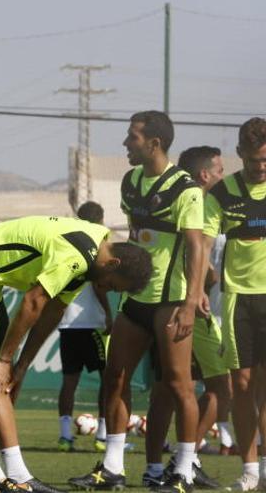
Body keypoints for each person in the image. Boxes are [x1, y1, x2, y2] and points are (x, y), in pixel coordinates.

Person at [0, 215, 152, 493]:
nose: (106, 290)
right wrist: (5, 360)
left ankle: (18, 475)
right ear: (113, 264)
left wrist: (20, 367)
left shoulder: (93, 255)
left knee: (0, 380)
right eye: (112, 285)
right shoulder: (78, 254)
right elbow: (32, 301)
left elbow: (53, 310)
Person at [69, 111, 206, 493]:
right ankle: (113, 468)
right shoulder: (130, 182)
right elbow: (135, 236)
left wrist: (191, 303)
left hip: (170, 301)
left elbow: (196, 247)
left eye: (132, 137)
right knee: (114, 377)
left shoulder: (186, 189)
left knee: (179, 386)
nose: (126, 144)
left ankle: (182, 471)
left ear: (154, 143)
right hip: (136, 300)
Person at [140, 146, 229, 490]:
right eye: (219, 169)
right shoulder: (200, 203)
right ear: (205, 174)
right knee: (214, 387)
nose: (223, 175)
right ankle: (182, 462)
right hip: (192, 308)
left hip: (178, 304)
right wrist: (200, 291)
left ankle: (176, 461)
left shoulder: (190, 199)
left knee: (173, 388)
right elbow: (202, 259)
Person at [203, 118, 266, 491]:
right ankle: (249, 470)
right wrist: (198, 289)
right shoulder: (221, 193)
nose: (261, 166)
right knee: (241, 384)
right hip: (237, 298)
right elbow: (202, 243)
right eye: (255, 159)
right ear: (240, 153)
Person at [54, 202, 113, 453]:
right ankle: (102, 436)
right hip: (91, 324)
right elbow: (99, 286)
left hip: (68, 324)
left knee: (69, 382)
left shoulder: (66, 243)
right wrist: (109, 313)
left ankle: (65, 437)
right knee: (107, 380)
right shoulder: (98, 244)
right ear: (100, 220)